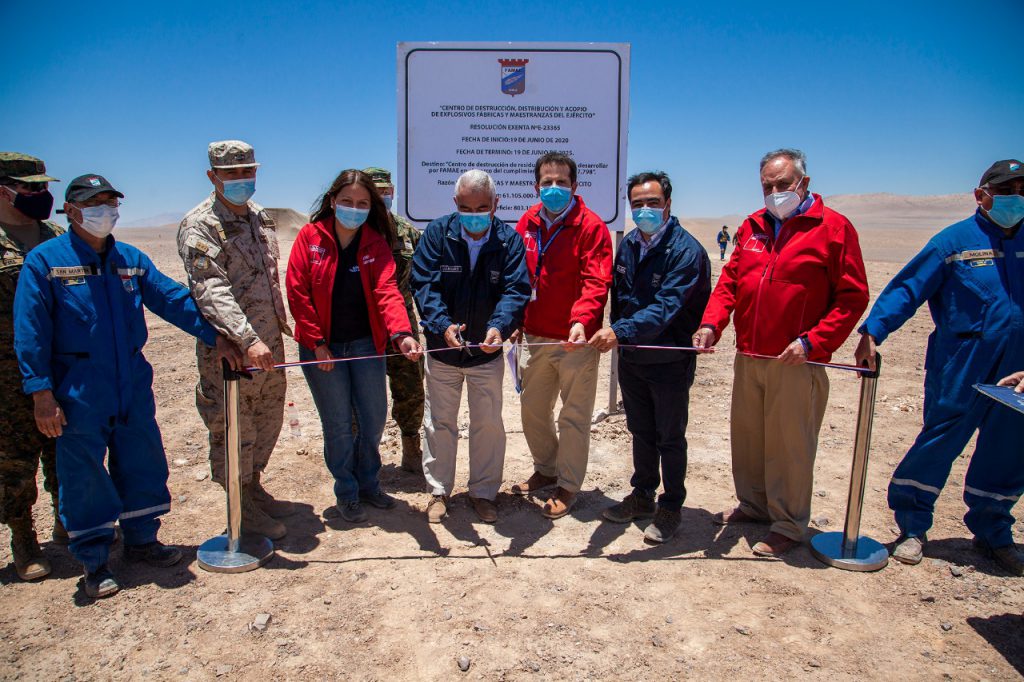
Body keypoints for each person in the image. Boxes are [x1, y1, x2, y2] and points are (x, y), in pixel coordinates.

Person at [14, 174, 238, 598]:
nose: (106, 210)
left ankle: (142, 541)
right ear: (73, 211)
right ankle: (95, 561)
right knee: (84, 475)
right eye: (95, 203)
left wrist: (218, 336)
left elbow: (172, 300)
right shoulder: (45, 262)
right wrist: (41, 392)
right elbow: (31, 332)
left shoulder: (130, 260)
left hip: (131, 382)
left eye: (111, 202)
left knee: (142, 459)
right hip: (78, 387)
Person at [693, 148, 869, 557]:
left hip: (796, 359)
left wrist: (814, 341)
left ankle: (788, 523)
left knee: (790, 444)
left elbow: (851, 297)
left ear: (803, 184)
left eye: (782, 185)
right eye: (767, 186)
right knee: (749, 437)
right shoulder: (752, 227)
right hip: (749, 354)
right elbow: (730, 282)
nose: (774, 193)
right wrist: (711, 323)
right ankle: (753, 505)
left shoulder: (834, 228)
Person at [854, 159, 1024, 575]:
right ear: (981, 195)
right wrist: (874, 331)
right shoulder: (954, 242)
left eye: (1022, 191)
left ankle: (993, 529)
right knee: (940, 440)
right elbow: (909, 288)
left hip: (1018, 370)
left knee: (1010, 448)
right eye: (1006, 192)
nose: (1015, 199)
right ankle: (913, 526)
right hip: (961, 364)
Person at [286, 169, 422, 524]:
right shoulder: (310, 237)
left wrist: (402, 334)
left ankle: (369, 483)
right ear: (332, 201)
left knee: (374, 416)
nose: (354, 208)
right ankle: (346, 491)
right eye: (347, 201)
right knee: (339, 424)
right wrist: (316, 343)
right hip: (322, 348)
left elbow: (387, 291)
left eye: (362, 204)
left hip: (365, 345)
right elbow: (298, 293)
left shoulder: (375, 242)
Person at [177, 140, 295, 541]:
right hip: (231, 351)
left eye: (248, 172)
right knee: (232, 425)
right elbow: (211, 288)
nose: (243, 179)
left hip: (269, 345)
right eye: (232, 174)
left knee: (267, 419)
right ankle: (238, 501)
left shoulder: (259, 217)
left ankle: (254, 485)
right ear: (213, 176)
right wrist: (245, 339)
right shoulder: (201, 224)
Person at [590, 171, 711, 543]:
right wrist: (618, 332)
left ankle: (671, 505)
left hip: (669, 359)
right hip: (633, 359)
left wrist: (620, 332)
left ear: (668, 204)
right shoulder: (627, 246)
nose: (644, 210)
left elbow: (666, 308)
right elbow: (620, 299)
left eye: (652, 203)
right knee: (640, 431)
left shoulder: (686, 251)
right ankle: (642, 494)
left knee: (669, 436)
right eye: (638, 204)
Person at [411, 169, 531, 524]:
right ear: (455, 204)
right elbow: (423, 284)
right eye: (466, 207)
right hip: (443, 350)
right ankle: (438, 492)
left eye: (482, 207)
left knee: (488, 424)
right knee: (439, 423)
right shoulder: (437, 233)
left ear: (496, 204)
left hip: (486, 353)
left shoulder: (509, 241)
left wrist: (498, 327)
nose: (474, 213)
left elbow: (516, 290)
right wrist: (442, 324)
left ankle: (483, 493)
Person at [511, 152, 613, 519]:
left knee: (573, 416)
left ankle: (568, 484)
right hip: (536, 337)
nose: (554, 188)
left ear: (575, 185)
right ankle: (546, 467)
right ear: (536, 186)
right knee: (533, 409)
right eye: (547, 182)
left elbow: (595, 280)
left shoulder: (591, 226)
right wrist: (514, 320)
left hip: (576, 340)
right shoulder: (527, 222)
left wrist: (582, 320)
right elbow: (517, 277)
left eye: (562, 182)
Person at [0, 153, 66, 581]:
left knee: (67, 447)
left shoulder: (58, 235)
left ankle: (70, 519)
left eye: (43, 187)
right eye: (29, 188)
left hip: (63, 363)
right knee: (13, 458)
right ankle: (23, 537)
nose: (40, 195)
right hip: (6, 373)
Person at [363, 167, 426, 474]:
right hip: (363, 326)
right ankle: (361, 455)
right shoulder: (353, 233)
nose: (383, 198)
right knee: (361, 394)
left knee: (411, 388)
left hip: (404, 326)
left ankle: (412, 446)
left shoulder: (406, 231)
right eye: (376, 194)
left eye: (386, 192)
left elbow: (425, 276)